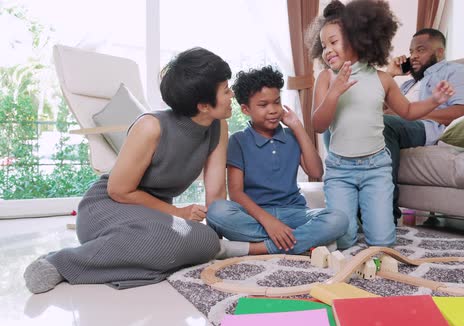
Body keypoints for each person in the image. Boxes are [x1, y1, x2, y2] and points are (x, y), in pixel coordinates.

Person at [23, 47, 249, 294]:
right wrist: (177, 213)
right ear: (204, 105)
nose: (232, 95)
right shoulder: (151, 126)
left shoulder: (218, 127)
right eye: (226, 90)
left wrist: (209, 241)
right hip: (108, 208)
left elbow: (215, 193)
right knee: (183, 241)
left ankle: (127, 256)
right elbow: (119, 191)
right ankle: (61, 262)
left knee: (203, 240)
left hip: (154, 217)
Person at [307, 0, 455, 249]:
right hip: (340, 170)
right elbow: (318, 125)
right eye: (323, 45)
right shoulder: (326, 78)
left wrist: (435, 100)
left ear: (358, 39)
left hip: (376, 169)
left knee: (383, 243)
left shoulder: (382, 79)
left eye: (333, 42)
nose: (327, 50)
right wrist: (334, 93)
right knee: (343, 240)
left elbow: (407, 111)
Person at [206, 66, 348, 255]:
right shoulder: (238, 141)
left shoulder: (291, 135)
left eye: (277, 102)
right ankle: (302, 242)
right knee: (217, 211)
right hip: (255, 215)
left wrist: (297, 127)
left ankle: (260, 248)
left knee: (338, 219)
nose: (273, 110)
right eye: (263, 105)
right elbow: (236, 193)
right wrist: (270, 222)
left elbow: (316, 172)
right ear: (245, 109)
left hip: (294, 212)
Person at [384, 28, 464, 220]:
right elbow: (375, 109)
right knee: (345, 123)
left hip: (425, 128)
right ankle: (347, 208)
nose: (413, 57)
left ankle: (384, 214)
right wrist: (389, 76)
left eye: (420, 50)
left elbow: (463, 112)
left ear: (439, 52)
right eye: (411, 52)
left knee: (384, 124)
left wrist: (410, 114)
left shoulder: (455, 71)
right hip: (395, 123)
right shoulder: (407, 84)